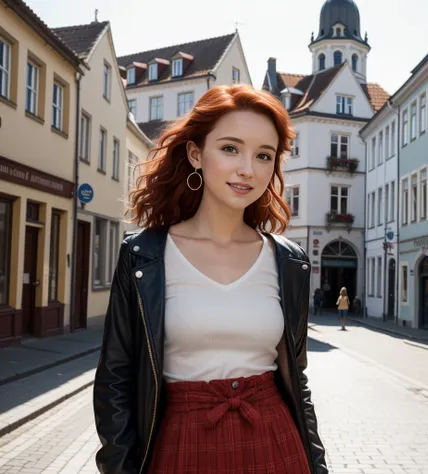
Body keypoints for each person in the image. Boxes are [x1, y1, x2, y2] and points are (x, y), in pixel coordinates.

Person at [93, 84, 328, 474]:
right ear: (195, 153)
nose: (247, 169)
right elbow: (115, 380)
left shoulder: (288, 262)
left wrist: (318, 466)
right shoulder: (145, 256)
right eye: (230, 148)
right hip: (181, 445)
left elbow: (296, 379)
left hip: (275, 444)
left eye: (263, 155)